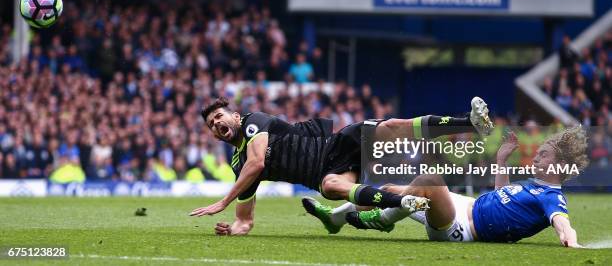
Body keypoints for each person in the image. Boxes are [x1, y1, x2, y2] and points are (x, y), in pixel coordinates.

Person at [189, 96, 494, 236]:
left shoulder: (253, 122)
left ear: (234, 116)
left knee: (393, 126)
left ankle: (469, 122)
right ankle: (403, 202)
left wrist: (222, 202)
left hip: (337, 144)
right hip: (326, 173)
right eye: (211, 124)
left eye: (219, 117)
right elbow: (246, 219)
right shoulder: (236, 163)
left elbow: (257, 163)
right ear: (213, 134)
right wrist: (234, 228)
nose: (216, 124)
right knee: (333, 188)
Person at [335, 127, 587, 248]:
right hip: (466, 205)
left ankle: (384, 219)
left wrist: (571, 242)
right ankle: (336, 217)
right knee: (392, 188)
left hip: (462, 228)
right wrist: (501, 160)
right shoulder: (532, 185)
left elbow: (562, 222)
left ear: (560, 165)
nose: (535, 158)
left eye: (543, 155)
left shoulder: (551, 196)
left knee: (430, 181)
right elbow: (501, 196)